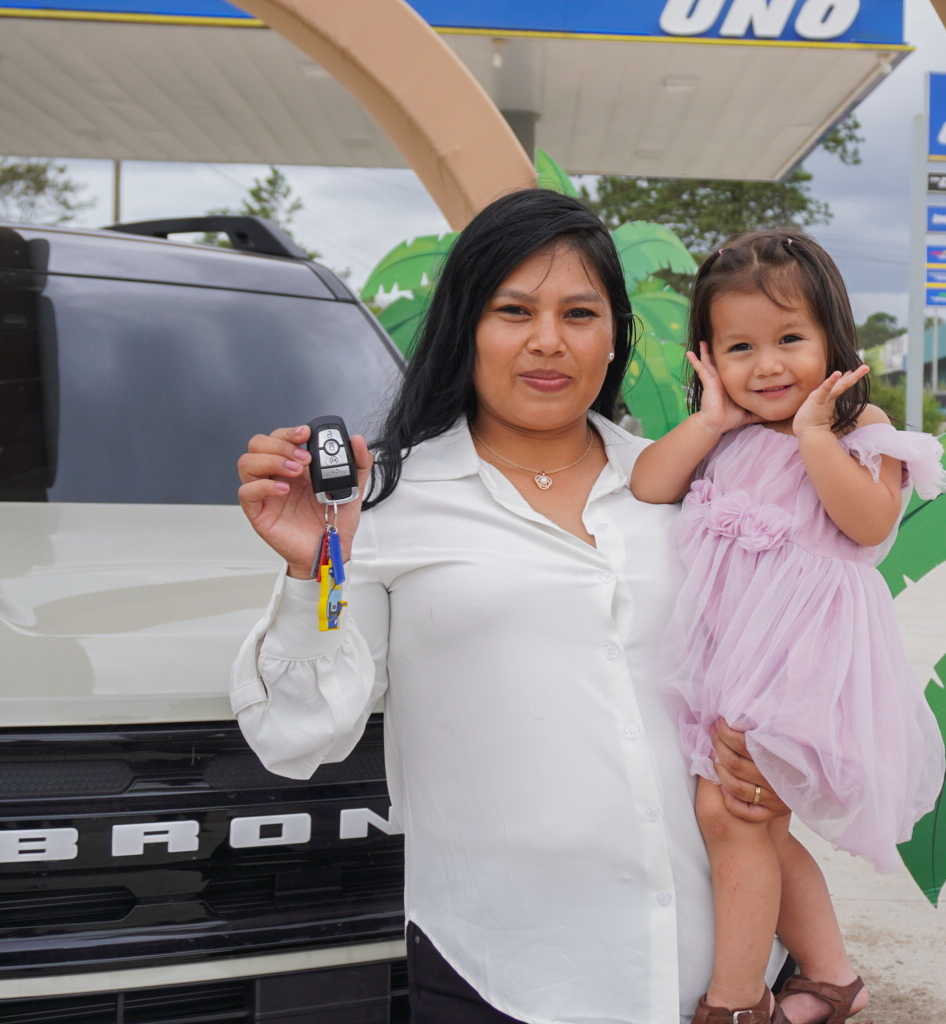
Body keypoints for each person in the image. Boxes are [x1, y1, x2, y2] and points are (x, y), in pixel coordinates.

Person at [231, 189, 787, 1024]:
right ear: (466, 327)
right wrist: (315, 571)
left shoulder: (693, 485)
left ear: (615, 336)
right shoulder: (384, 503)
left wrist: (778, 751)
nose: (548, 341)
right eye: (514, 311)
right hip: (506, 977)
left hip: (724, 975)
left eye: (579, 313)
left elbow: (784, 657)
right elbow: (296, 738)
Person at [629, 230, 946, 1024]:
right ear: (709, 357)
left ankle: (737, 1001)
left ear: (833, 340)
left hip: (804, 666)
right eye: (740, 347)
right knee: (756, 826)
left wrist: (812, 436)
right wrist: (709, 420)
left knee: (733, 815)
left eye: (790, 340)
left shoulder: (860, 429)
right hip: (728, 664)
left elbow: (869, 523)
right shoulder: (727, 434)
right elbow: (648, 485)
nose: (767, 366)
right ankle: (832, 980)